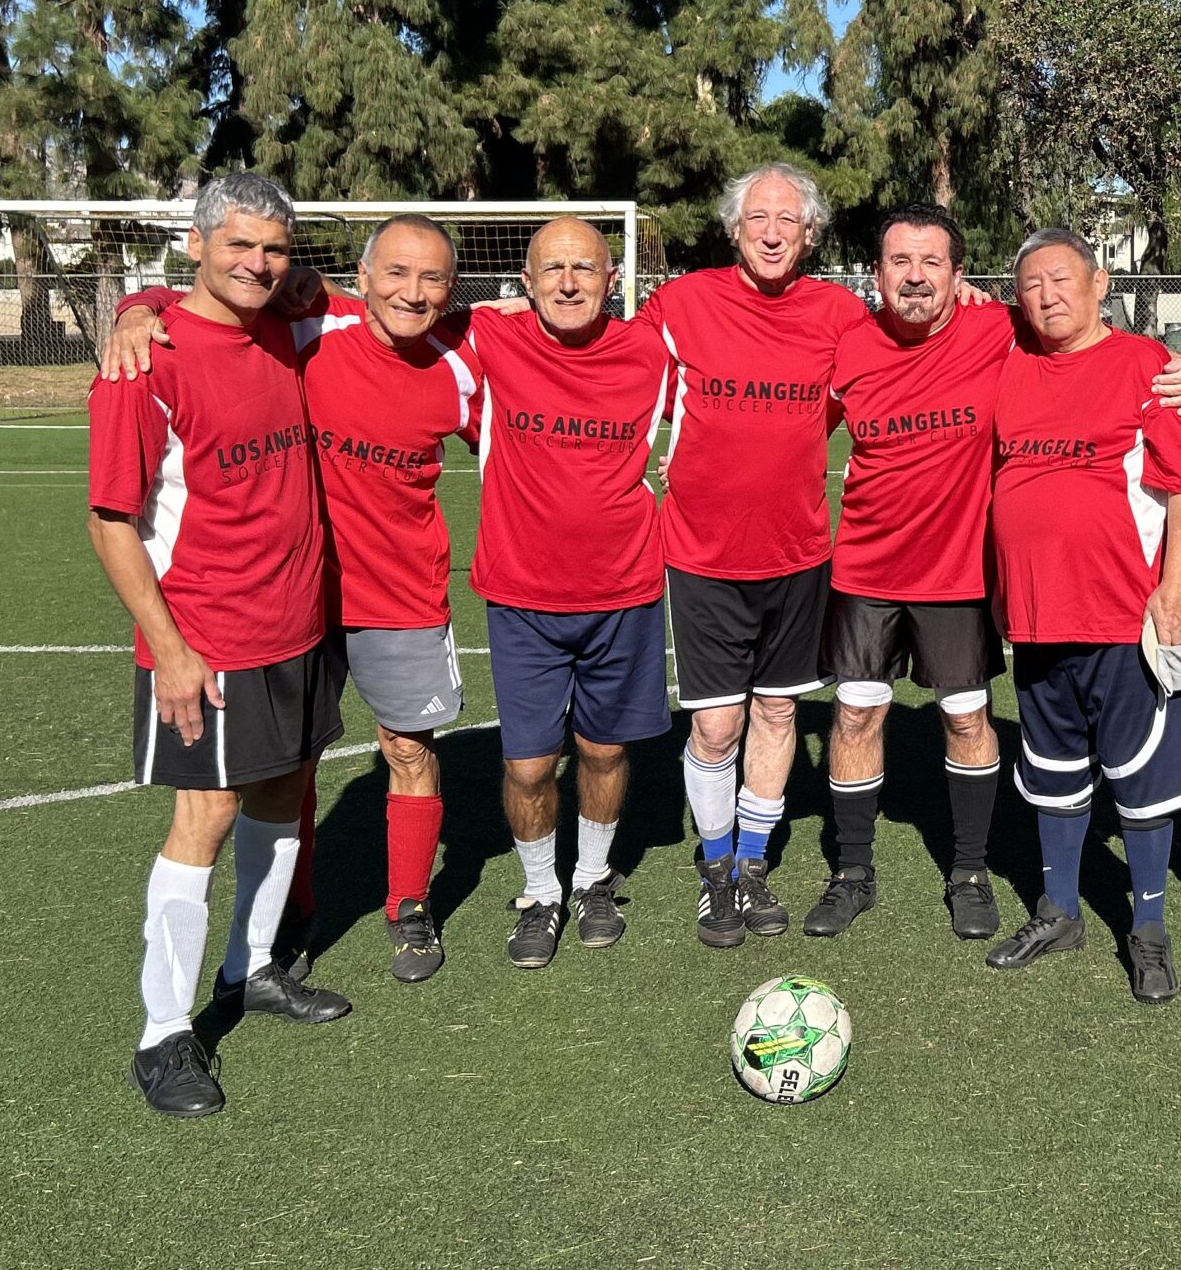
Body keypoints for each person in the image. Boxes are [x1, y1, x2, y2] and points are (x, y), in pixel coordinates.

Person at [100, 215, 483, 983]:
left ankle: (408, 903)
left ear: (451, 290)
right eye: (397, 273)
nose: (413, 293)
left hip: (401, 593)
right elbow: (210, 293)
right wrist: (135, 307)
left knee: (408, 749)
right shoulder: (307, 321)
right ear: (362, 276)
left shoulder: (465, 360)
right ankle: (289, 918)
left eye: (432, 278)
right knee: (291, 766)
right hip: (295, 593)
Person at [88, 173, 351, 1119]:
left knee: (285, 791)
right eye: (238, 245)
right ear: (195, 245)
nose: (258, 264)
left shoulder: (286, 323)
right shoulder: (143, 360)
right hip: (208, 638)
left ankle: (255, 968)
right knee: (201, 822)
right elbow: (112, 520)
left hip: (301, 625)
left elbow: (370, 299)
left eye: (275, 248)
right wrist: (171, 649)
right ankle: (163, 1035)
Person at [637, 165, 867, 945]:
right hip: (701, 555)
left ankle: (752, 865)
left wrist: (974, 300)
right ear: (734, 229)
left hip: (800, 554)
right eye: (758, 218)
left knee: (777, 711)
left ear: (810, 235)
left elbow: (911, 356)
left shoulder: (839, 313)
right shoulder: (682, 304)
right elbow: (600, 358)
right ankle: (713, 866)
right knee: (714, 729)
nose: (773, 232)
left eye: (789, 220)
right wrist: (510, 318)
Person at [981, 227, 1181, 1002]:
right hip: (1036, 619)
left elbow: (1180, 487)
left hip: (1123, 620)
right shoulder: (1009, 366)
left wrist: (1176, 588)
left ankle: (1147, 930)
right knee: (1053, 773)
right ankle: (1060, 910)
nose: (1047, 295)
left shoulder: (1146, 366)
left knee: (1143, 779)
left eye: (1062, 278)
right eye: (1031, 283)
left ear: (1100, 283)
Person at [803, 202, 1020, 942]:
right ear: (877, 273)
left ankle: (969, 870)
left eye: (932, 263)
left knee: (966, 717)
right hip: (865, 569)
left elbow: (1083, 341)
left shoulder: (996, 328)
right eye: (901, 261)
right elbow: (789, 435)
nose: (916, 276)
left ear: (960, 277)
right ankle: (853, 872)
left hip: (959, 573)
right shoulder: (847, 347)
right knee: (858, 712)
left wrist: (1179, 368)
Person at [467, 218, 677, 969]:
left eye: (583, 268)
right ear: (525, 282)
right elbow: (366, 306)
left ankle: (590, 880)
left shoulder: (654, 352)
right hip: (522, 597)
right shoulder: (490, 341)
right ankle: (540, 892)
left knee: (603, 749)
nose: (567, 282)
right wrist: (149, 304)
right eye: (551, 269)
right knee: (527, 765)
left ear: (611, 279)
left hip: (624, 593)